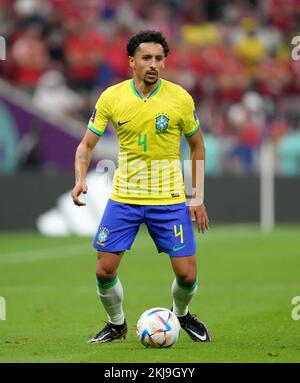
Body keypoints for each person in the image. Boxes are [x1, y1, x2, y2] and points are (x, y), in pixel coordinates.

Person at [72, 30, 211, 344]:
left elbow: (198, 147)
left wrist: (197, 196)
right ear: (131, 61)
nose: (153, 64)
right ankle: (117, 324)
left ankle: (182, 314)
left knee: (187, 275)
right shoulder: (112, 97)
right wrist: (80, 178)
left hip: (169, 199)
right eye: (146, 58)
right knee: (104, 271)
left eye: (159, 58)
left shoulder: (180, 98)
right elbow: (85, 146)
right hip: (125, 198)